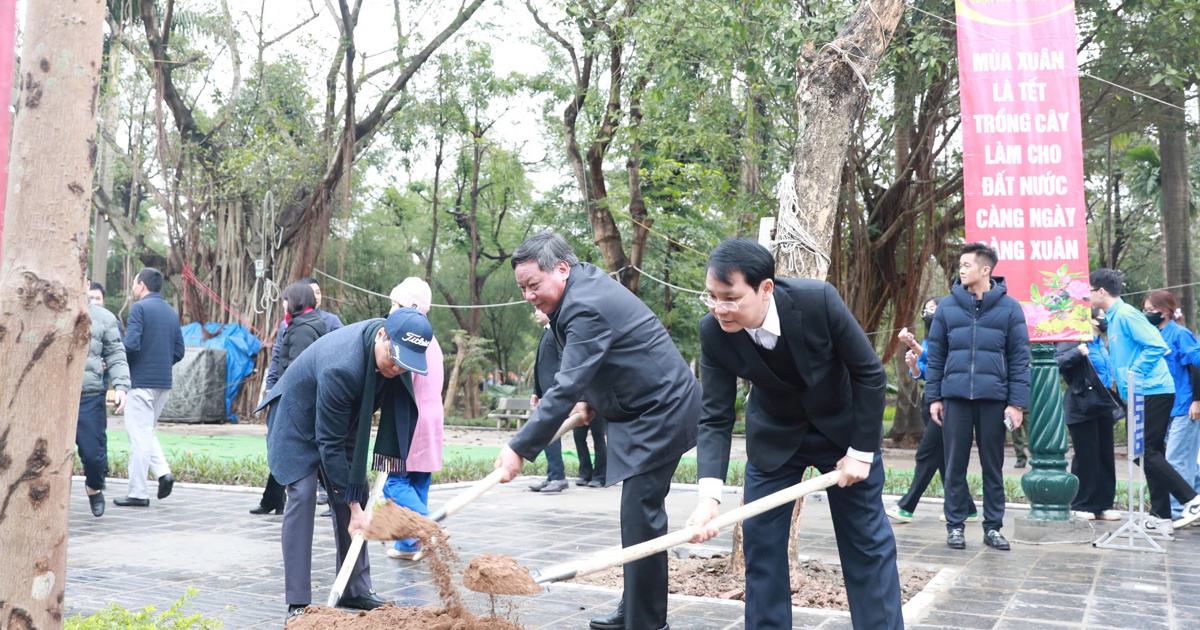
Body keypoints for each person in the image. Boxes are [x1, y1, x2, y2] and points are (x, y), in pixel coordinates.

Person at [686, 239, 902, 630]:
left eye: (731, 298)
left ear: (765, 288)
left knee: (866, 545)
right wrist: (708, 498)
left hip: (844, 434)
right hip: (775, 437)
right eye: (712, 297)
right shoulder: (714, 331)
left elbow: (870, 374)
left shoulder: (817, 301)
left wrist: (861, 451)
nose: (720, 308)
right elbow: (716, 416)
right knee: (763, 547)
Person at [493, 231, 700, 630]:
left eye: (533, 285)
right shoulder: (580, 288)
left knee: (642, 515)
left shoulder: (585, 305)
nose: (529, 296)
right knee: (637, 518)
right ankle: (635, 607)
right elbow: (597, 362)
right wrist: (590, 401)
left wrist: (519, 447)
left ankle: (647, 622)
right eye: (522, 288)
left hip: (662, 410)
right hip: (638, 409)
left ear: (562, 269)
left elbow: (566, 382)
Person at [260, 307, 432, 620]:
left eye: (405, 363)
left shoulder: (392, 352)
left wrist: (354, 503)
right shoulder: (343, 365)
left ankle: (355, 589)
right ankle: (298, 601)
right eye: (394, 357)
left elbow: (343, 443)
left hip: (342, 416)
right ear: (382, 336)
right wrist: (353, 508)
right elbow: (328, 443)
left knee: (356, 489)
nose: (397, 368)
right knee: (302, 494)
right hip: (296, 420)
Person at [925, 243, 1030, 551]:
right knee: (954, 465)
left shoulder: (1010, 308)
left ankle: (993, 527)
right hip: (955, 399)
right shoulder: (946, 306)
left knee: (992, 466)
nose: (961, 269)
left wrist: (1016, 403)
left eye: (967, 265)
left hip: (994, 400)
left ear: (986, 270)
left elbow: (1019, 359)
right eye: (960, 264)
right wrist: (934, 396)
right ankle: (955, 526)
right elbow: (936, 357)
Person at [1090, 269, 1200, 533]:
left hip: (1153, 390)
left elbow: (1156, 345)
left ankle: (1192, 500)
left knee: (1144, 451)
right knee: (1147, 453)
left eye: (1090, 291)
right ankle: (1161, 514)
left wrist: (1134, 373)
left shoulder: (1127, 315)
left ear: (1101, 291)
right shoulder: (1115, 318)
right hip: (1141, 392)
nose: (1088, 296)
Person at [887, 296, 979, 524]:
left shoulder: (953, 335)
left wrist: (912, 344)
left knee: (927, 454)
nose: (929, 312)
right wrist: (913, 366)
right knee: (942, 459)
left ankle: (906, 506)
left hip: (949, 404)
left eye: (933, 308)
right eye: (926, 308)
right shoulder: (929, 339)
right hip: (931, 401)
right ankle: (966, 508)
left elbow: (943, 363)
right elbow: (927, 372)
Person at [252, 282, 328, 515]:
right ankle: (272, 498)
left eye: (286, 299)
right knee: (281, 446)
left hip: (295, 399)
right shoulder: (300, 324)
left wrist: (286, 399)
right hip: (291, 395)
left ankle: (340, 497)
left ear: (295, 301)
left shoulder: (303, 329)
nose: (283, 303)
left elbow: (298, 369)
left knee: (288, 447)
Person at [383, 277, 446, 561]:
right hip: (432, 419)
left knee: (394, 483)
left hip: (411, 420)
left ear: (409, 306)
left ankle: (430, 527)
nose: (390, 309)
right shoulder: (432, 340)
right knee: (418, 483)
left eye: (394, 304)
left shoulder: (406, 338)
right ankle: (409, 545)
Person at [116, 268, 185, 508]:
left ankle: (137, 492)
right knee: (144, 432)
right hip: (163, 385)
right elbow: (179, 351)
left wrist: (118, 364)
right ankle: (164, 473)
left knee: (138, 436)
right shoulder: (171, 312)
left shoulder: (139, 308)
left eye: (134, 283)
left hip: (140, 382)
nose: (133, 288)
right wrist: (161, 363)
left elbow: (132, 345)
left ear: (142, 285)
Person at [1056, 310, 1123, 521]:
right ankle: (1082, 503)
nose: (1104, 319)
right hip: (1081, 403)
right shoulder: (1074, 339)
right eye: (1100, 316)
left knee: (1104, 455)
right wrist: (1078, 352)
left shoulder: (1100, 342)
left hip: (1102, 403)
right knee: (1086, 456)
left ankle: (1103, 504)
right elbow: (1056, 363)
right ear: (1090, 319)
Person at [1142, 290, 1200, 521]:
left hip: (1185, 406)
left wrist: (1197, 400)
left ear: (1165, 312)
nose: (1146, 314)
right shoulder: (1155, 334)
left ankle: (1178, 512)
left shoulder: (1180, 334)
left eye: (1150, 311)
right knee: (1185, 461)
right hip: (1165, 407)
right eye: (1144, 310)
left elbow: (1195, 366)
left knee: (1176, 459)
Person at [79, 281, 130, 517]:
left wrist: (121, 386)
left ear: (86, 283)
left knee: (94, 455)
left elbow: (116, 354)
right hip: (50, 399)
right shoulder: (45, 311)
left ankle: (93, 486)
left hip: (89, 396)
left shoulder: (104, 318)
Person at [527, 308, 570, 494]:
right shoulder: (546, 331)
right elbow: (541, 365)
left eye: (539, 309)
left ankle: (558, 477)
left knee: (551, 434)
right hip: (546, 392)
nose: (536, 312)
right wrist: (537, 390)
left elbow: (562, 361)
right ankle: (553, 476)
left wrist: (555, 388)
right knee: (547, 435)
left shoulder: (556, 331)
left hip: (554, 392)